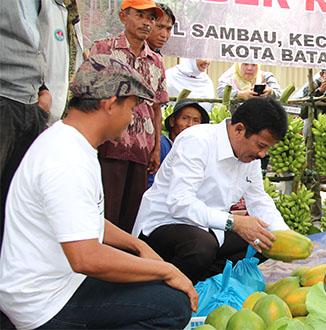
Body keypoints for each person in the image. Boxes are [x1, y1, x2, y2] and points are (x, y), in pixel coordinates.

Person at [0, 55, 197, 330]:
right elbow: (86, 258)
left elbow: (82, 218)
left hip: (57, 282)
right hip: (43, 302)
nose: (131, 119)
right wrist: (167, 269)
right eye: (130, 109)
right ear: (109, 103)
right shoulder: (66, 159)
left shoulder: (70, 140)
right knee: (172, 307)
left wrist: (137, 245)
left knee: (157, 285)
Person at [133, 98, 290, 284]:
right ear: (239, 129)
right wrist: (235, 223)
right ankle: (167, 295)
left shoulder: (250, 158)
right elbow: (180, 203)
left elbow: (258, 199)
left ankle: (203, 287)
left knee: (263, 243)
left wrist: (284, 236)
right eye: (261, 146)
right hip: (164, 225)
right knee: (200, 247)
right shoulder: (197, 141)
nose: (262, 155)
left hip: (212, 230)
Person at [89, 0, 169, 233]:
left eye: (151, 18)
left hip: (141, 149)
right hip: (109, 145)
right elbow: (89, 97)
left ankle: (122, 266)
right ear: (124, 16)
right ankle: (96, 267)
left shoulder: (156, 61)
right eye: (140, 15)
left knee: (131, 217)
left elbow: (156, 108)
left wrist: (155, 149)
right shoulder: (103, 49)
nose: (147, 23)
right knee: (104, 214)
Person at [0, 0, 51, 254]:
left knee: (15, 200)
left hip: (30, 101)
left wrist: (43, 89)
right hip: (4, 95)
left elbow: (36, 43)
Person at [148, 99, 210, 187]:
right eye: (185, 118)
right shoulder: (162, 145)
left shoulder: (198, 151)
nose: (190, 124)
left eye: (196, 120)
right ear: (172, 121)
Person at [217, 63, 281, 102]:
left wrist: (270, 91)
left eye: (254, 65)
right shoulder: (229, 77)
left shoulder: (266, 76)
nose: (249, 68)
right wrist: (239, 94)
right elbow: (220, 92)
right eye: (245, 64)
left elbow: (279, 93)